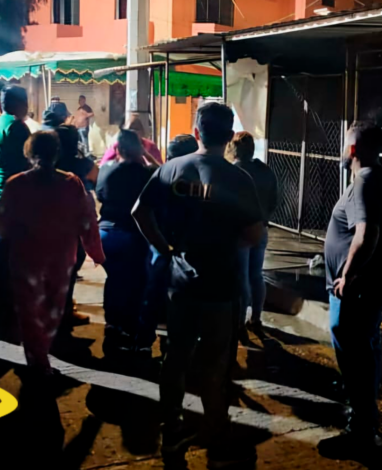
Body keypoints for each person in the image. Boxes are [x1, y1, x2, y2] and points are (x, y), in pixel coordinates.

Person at [132, 102, 263, 467]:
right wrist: (227, 246)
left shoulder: (171, 168)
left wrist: (165, 248)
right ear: (229, 136)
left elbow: (139, 212)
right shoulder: (239, 179)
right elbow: (254, 233)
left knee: (176, 356)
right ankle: (216, 432)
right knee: (215, 363)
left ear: (196, 133)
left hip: (180, 282)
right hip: (221, 284)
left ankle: (172, 429)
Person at [318, 122, 382, 459]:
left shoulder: (365, 181)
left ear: (352, 150)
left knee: (354, 354)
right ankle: (365, 416)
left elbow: (368, 235)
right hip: (369, 284)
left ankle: (360, 430)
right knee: (365, 351)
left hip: (356, 289)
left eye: (344, 145)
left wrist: (347, 276)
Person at [0, 131, 104, 376]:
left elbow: (1, 225)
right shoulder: (72, 183)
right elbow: (87, 220)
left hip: (26, 258)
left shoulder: (16, 184)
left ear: (28, 153)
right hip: (60, 259)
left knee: (29, 309)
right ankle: (41, 353)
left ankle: (37, 358)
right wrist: (95, 251)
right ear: (56, 154)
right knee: (52, 309)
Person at [96, 130, 155, 355]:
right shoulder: (144, 173)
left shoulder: (105, 169)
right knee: (136, 284)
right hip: (131, 234)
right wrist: (147, 156)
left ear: (118, 149)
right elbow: (162, 174)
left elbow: (100, 196)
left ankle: (112, 324)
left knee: (114, 279)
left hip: (105, 234)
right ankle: (128, 332)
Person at [0, 86, 31, 325]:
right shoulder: (16, 126)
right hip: (14, 192)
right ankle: (8, 303)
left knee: (1, 246)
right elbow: (26, 161)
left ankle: (0, 300)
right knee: (14, 250)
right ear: (20, 104)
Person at [226, 132, 279, 336]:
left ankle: (239, 321)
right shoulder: (265, 171)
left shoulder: (232, 172)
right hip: (261, 227)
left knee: (242, 276)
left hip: (239, 231)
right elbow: (274, 200)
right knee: (256, 274)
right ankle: (256, 317)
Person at [53, 124, 99, 331]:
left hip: (49, 220)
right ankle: (64, 311)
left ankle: (56, 308)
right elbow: (97, 181)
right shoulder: (82, 164)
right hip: (75, 222)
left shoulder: (49, 163)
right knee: (71, 266)